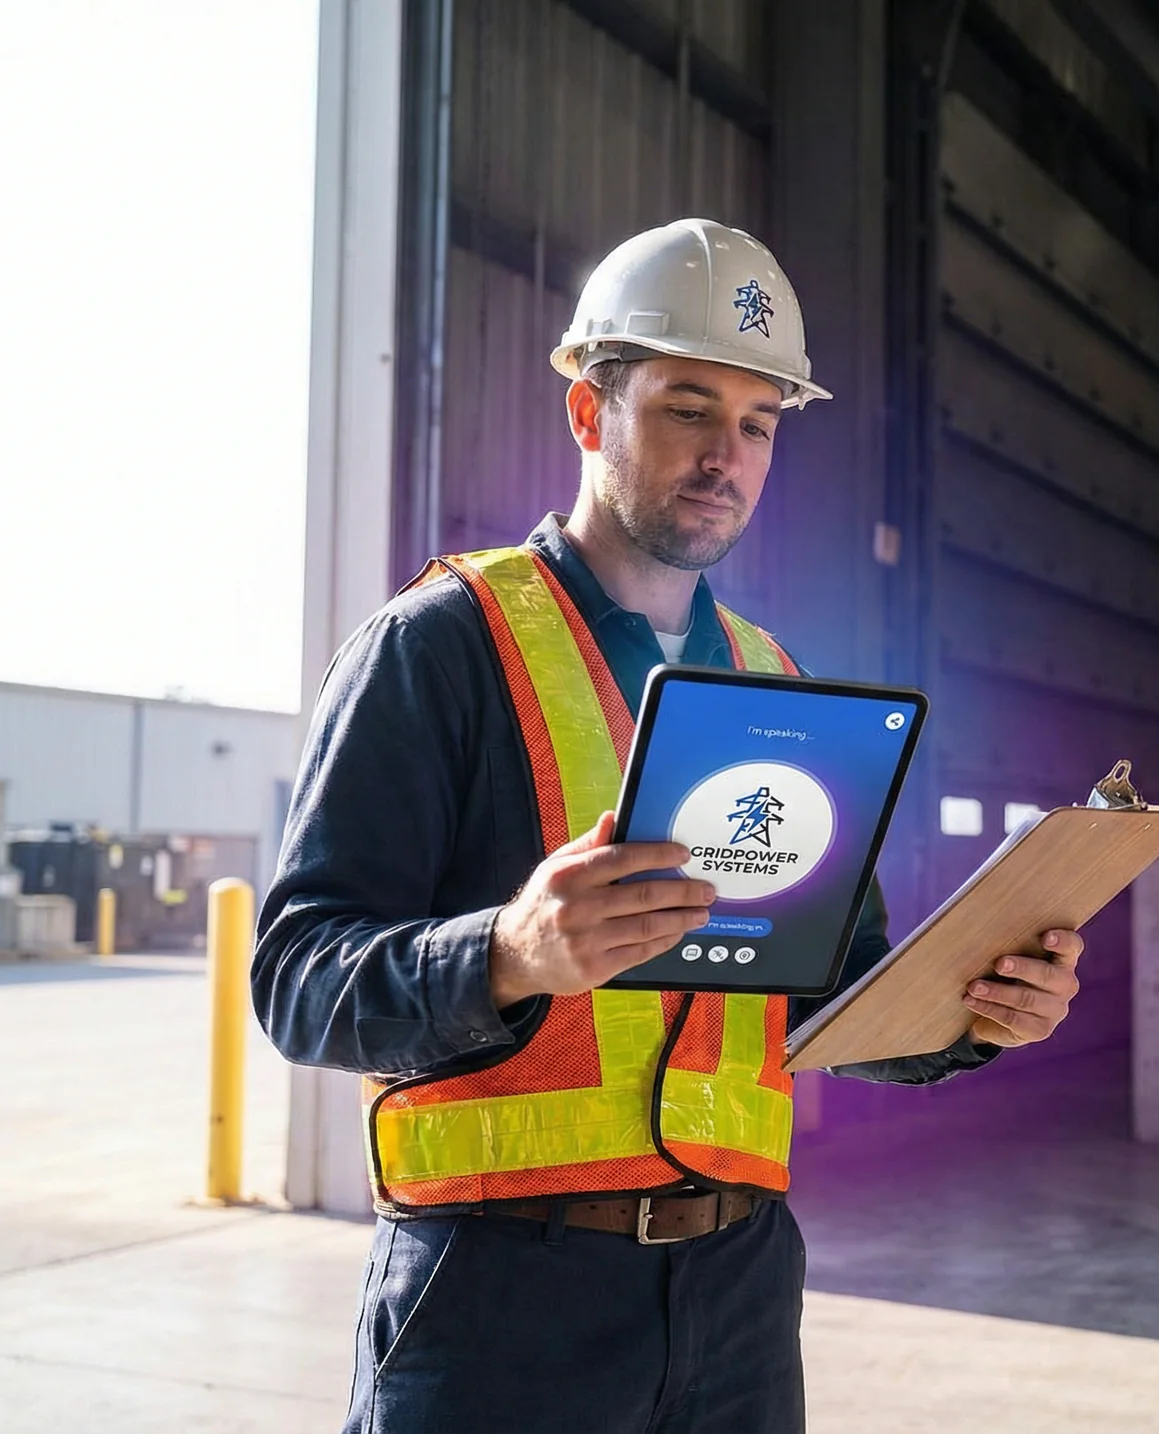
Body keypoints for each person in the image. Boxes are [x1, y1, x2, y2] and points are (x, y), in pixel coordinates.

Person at [252, 217, 1084, 1434]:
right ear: (591, 415)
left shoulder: (775, 683)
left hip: (740, 1297)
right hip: (496, 1303)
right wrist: (507, 955)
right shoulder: (440, 646)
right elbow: (295, 978)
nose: (726, 456)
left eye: (756, 425)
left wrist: (979, 1014)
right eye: (688, 408)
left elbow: (831, 996)